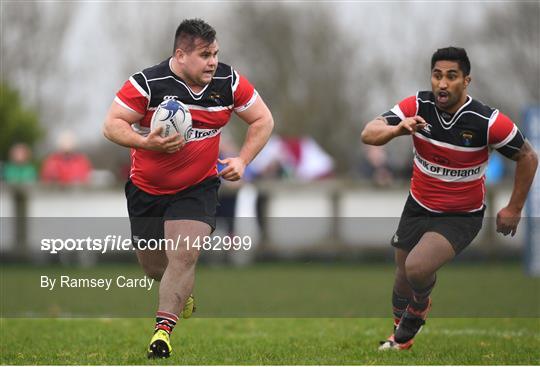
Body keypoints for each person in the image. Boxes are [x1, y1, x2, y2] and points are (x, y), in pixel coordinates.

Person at [103, 19, 273, 358]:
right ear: (181, 55)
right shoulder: (147, 83)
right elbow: (111, 125)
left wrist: (243, 160)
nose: (213, 61)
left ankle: (161, 334)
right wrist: (144, 142)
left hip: (198, 187)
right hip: (146, 190)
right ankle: (181, 292)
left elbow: (263, 119)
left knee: (183, 254)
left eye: (215, 53)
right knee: (156, 267)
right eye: (205, 55)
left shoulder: (228, 81)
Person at [361, 47, 538, 350]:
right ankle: (400, 340)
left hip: (461, 214)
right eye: (437, 75)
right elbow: (369, 132)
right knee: (402, 277)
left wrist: (514, 207)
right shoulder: (417, 105)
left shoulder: (486, 121)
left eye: (451, 77)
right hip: (417, 205)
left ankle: (418, 310)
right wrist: (397, 128)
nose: (442, 83)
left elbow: (528, 156)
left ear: (466, 81)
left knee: (417, 268)